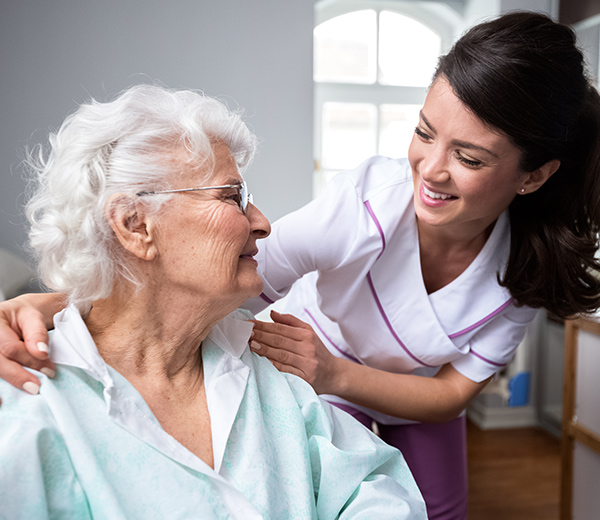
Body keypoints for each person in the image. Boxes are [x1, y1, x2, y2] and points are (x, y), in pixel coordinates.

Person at [1, 11, 600, 519]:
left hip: (394, 386)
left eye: (467, 156)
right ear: (134, 226)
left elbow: (447, 397)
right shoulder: (367, 205)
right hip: (310, 358)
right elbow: (232, 272)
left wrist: (336, 375)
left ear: (534, 175)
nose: (430, 169)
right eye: (423, 132)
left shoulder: (529, 265)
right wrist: (57, 303)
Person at [0, 85, 426, 519]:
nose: (262, 224)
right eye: (231, 196)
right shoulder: (29, 404)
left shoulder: (260, 364)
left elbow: (373, 489)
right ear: (135, 226)